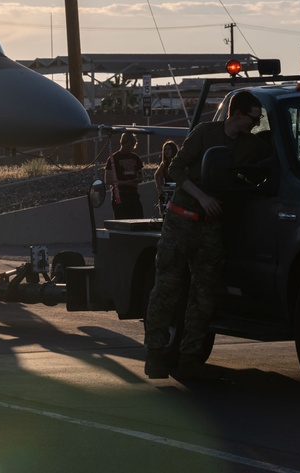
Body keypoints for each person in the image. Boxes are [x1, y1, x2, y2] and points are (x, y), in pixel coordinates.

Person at [144, 91, 272, 380]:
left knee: (204, 294)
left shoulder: (252, 146)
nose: (256, 124)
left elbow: (270, 164)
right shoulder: (205, 133)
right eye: (253, 118)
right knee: (166, 289)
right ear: (237, 114)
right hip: (180, 219)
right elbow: (175, 167)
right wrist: (201, 196)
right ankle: (154, 355)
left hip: (210, 226)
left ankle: (190, 358)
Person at [105, 132, 144, 219]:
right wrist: (126, 183)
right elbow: (108, 180)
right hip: (120, 196)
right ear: (122, 143)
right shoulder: (113, 158)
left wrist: (137, 179)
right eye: (127, 146)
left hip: (133, 196)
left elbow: (140, 175)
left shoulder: (135, 158)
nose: (129, 149)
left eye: (131, 147)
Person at [153, 140, 179, 215]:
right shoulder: (164, 164)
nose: (166, 151)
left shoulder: (178, 162)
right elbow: (156, 175)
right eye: (165, 149)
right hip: (167, 191)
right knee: (164, 213)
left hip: (176, 191)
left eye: (169, 149)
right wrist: (159, 188)